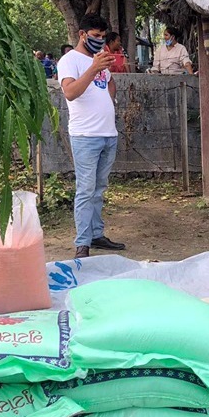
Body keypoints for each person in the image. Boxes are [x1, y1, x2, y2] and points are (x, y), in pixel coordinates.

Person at [58, 14, 126, 259]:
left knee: (99, 189)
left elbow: (109, 82)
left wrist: (110, 101)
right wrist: (94, 68)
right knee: (86, 190)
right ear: (82, 34)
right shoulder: (70, 61)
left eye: (102, 36)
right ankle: (82, 244)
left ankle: (96, 234)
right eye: (95, 36)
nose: (99, 40)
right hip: (85, 135)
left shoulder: (99, 60)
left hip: (108, 134)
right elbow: (70, 92)